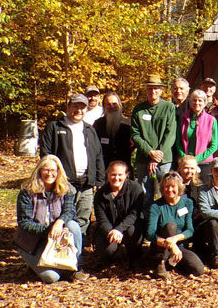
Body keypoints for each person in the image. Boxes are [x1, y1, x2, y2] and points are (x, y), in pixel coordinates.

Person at [40, 93, 105, 237]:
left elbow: (98, 155)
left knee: (83, 218)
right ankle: (59, 248)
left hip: (86, 182)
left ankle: (77, 250)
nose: (79, 110)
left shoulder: (90, 130)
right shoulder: (55, 127)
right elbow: (45, 155)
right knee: (61, 216)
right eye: (75, 106)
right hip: (64, 182)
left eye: (82, 107)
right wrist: (50, 177)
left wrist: (99, 179)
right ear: (68, 107)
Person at [15, 155, 88, 283]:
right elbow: (24, 223)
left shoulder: (66, 189)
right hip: (32, 242)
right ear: (39, 171)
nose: (50, 174)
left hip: (57, 238)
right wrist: (49, 230)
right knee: (51, 278)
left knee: (73, 225)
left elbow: (69, 211)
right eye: (46, 170)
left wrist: (59, 223)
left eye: (53, 170)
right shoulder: (27, 192)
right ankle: (34, 266)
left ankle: (76, 267)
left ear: (59, 172)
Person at [131, 74, 178, 207]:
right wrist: (149, 152)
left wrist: (157, 156)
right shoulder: (138, 109)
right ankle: (146, 224)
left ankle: (166, 224)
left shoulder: (169, 107)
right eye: (150, 88)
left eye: (156, 88)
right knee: (144, 195)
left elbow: (170, 134)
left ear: (161, 90)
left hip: (164, 160)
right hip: (143, 159)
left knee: (168, 192)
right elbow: (135, 134)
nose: (153, 92)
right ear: (146, 90)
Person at [147, 172, 204, 278]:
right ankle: (161, 263)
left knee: (198, 269)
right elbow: (150, 234)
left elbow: (190, 230)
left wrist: (174, 240)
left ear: (179, 187)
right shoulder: (156, 206)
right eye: (166, 187)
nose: (169, 190)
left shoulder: (187, 202)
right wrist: (171, 245)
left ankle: (173, 263)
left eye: (173, 187)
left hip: (180, 245)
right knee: (170, 226)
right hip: (161, 247)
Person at [93, 161, 145, 270]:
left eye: (120, 175)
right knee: (107, 250)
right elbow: (102, 219)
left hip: (129, 226)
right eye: (113, 174)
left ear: (127, 175)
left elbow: (134, 214)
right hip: (110, 230)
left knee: (133, 231)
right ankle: (114, 256)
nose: (116, 178)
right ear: (107, 174)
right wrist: (111, 232)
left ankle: (134, 256)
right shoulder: (100, 194)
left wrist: (119, 229)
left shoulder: (136, 189)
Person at [177, 89, 218, 184]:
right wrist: (186, 159)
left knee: (202, 193)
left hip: (204, 164)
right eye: (194, 100)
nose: (197, 103)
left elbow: (214, 145)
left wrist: (195, 160)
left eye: (200, 100)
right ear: (190, 102)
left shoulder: (211, 120)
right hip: (185, 165)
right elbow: (178, 142)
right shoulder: (183, 118)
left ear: (205, 102)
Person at [93, 92, 132, 169]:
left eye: (114, 103)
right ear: (104, 106)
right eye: (108, 104)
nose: (112, 106)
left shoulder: (129, 124)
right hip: (103, 167)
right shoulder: (98, 124)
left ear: (120, 105)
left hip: (124, 167)